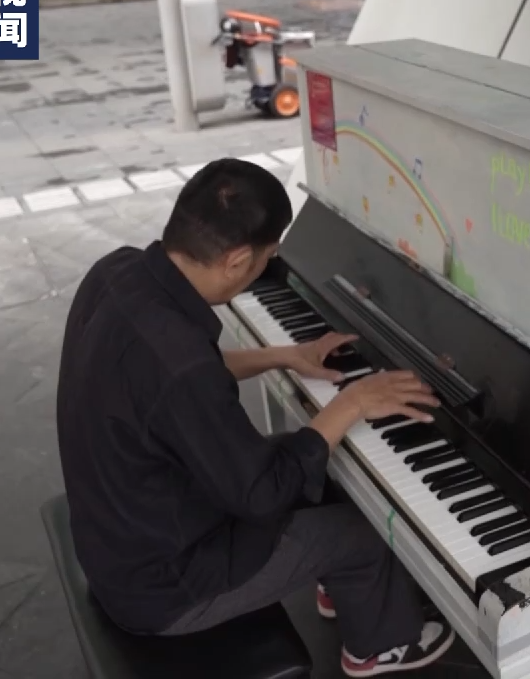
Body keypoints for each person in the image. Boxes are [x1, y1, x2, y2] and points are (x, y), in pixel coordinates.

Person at [57, 158, 456, 677]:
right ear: (238, 260)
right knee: (363, 531)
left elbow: (173, 377)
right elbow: (262, 493)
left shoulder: (117, 271)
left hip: (121, 532)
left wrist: (284, 355)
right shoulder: (181, 367)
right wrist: (353, 403)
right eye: (269, 256)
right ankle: (382, 646)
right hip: (164, 586)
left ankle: (340, 584)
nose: (268, 264)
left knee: (315, 461)